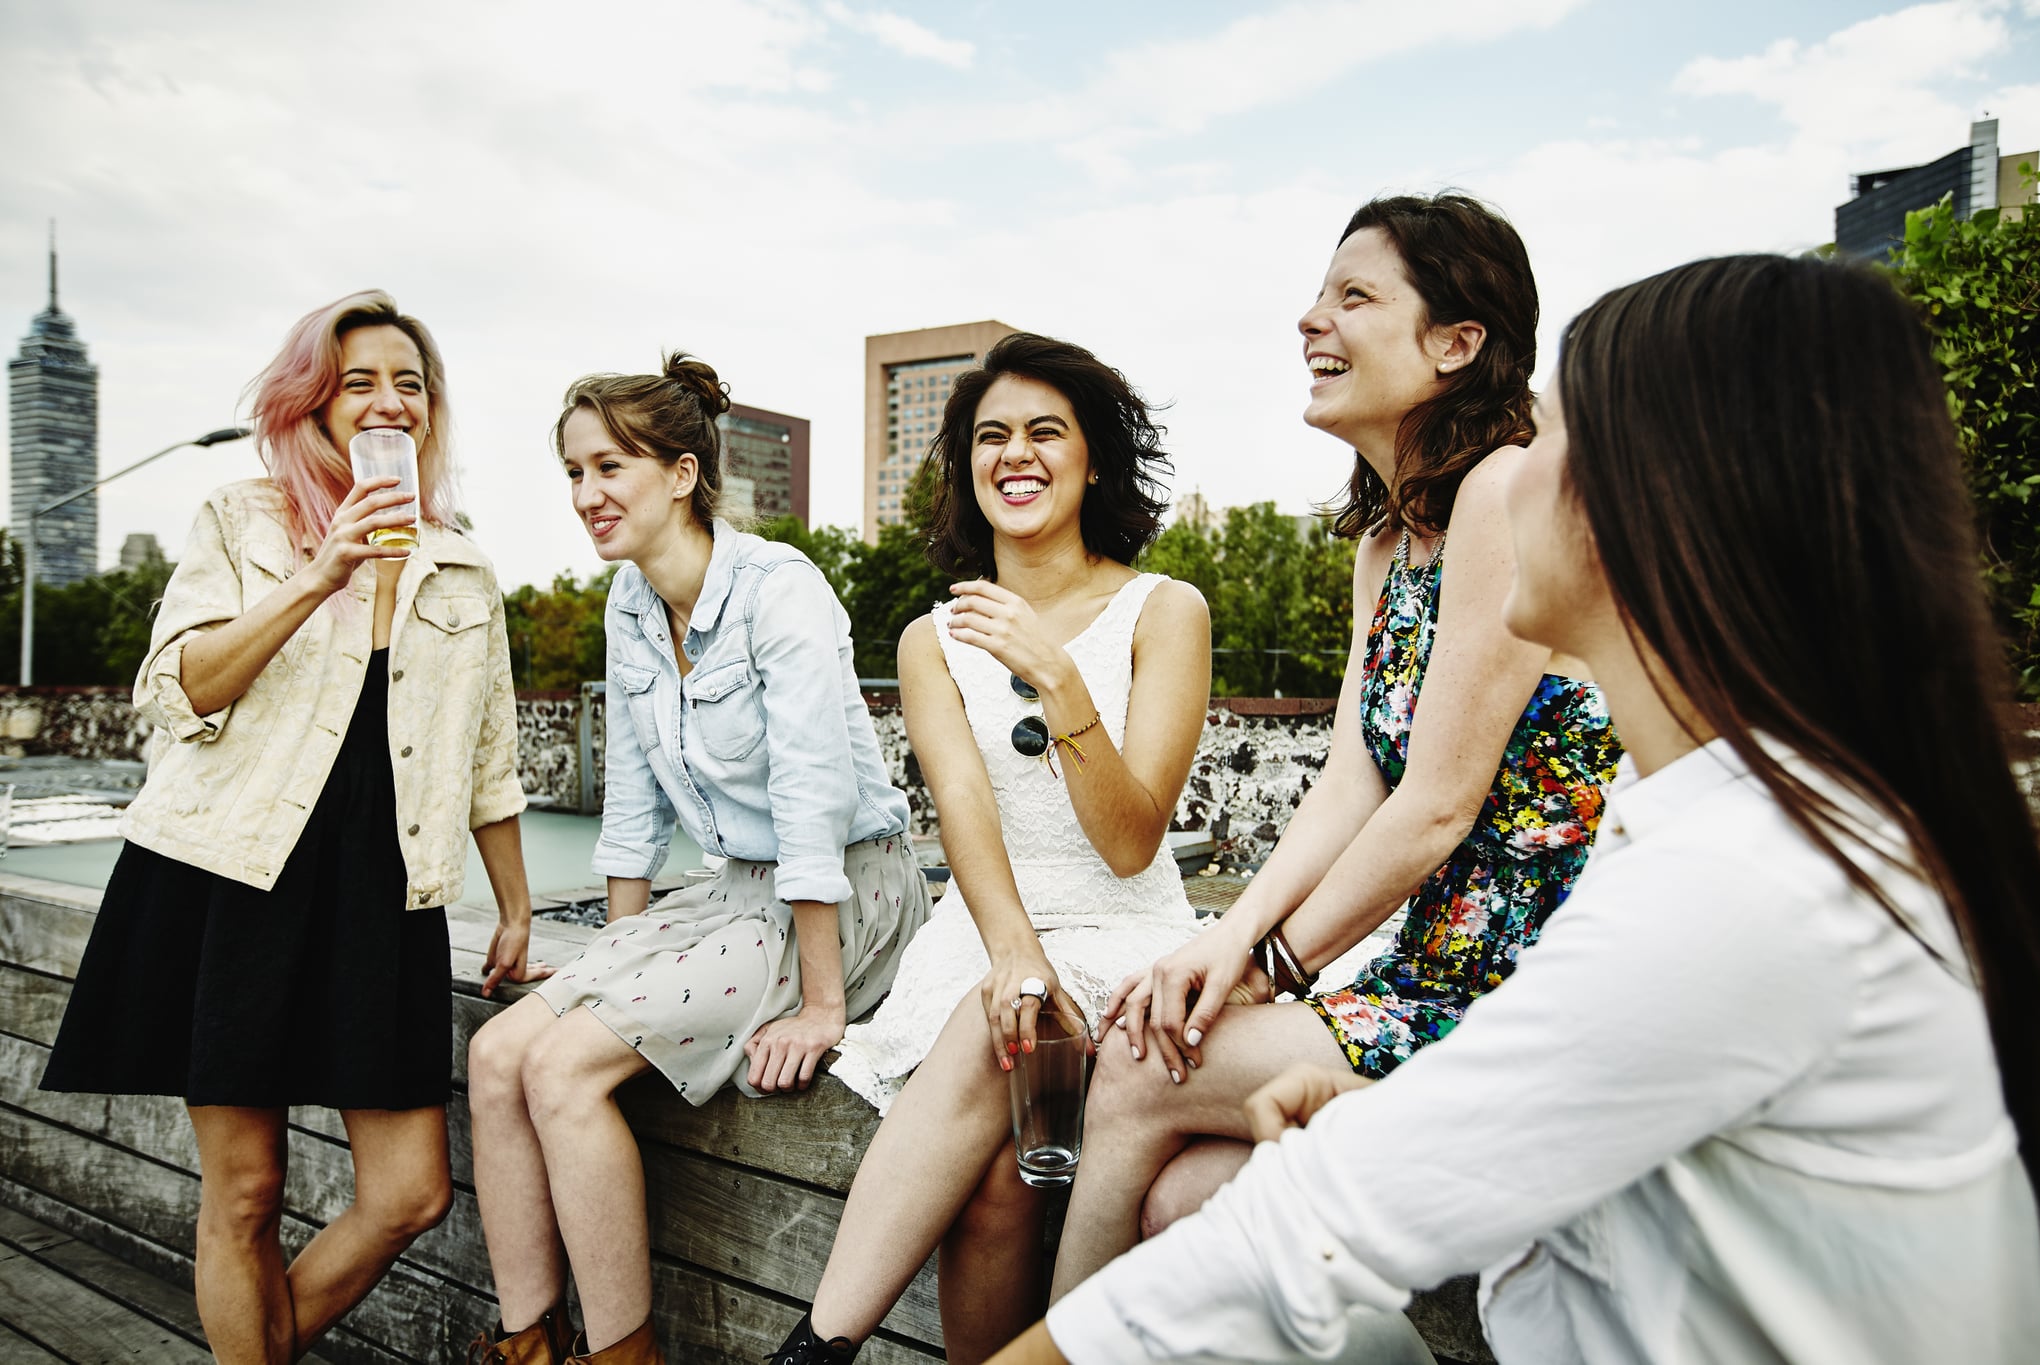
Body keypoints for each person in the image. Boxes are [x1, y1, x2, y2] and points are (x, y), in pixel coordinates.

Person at [996, 253, 2040, 1364]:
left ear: (1671, 508)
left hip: (1469, 1010)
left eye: (1550, 439)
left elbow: (1316, 1213)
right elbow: (1367, 780)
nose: (1513, 462)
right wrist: (1263, 964)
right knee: (1198, 1196)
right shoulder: (1709, 819)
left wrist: (1301, 998)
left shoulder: (1737, 888)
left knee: (1193, 1161)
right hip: (1497, 1126)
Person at [1050, 193, 1622, 1294]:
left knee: (1130, 1067)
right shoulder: (1388, 546)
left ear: (1457, 343)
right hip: (1426, 975)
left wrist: (1269, 967)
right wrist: (1226, 941)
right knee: (1177, 1200)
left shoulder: (1506, 491)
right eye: (1319, 295)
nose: (1310, 320)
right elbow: (1355, 777)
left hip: (1518, 992)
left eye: (1352, 296)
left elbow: (1440, 803)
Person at [39, 291, 539, 1364]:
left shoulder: (465, 564)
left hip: (382, 886)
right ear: (313, 402)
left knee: (409, 1193)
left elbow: (488, 753)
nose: (387, 401)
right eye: (359, 379)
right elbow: (182, 690)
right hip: (228, 870)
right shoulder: (241, 517)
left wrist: (514, 903)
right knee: (248, 1190)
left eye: (409, 381)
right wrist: (321, 574)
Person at [465, 353, 928, 1365]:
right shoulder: (628, 608)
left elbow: (814, 809)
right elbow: (631, 813)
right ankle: (525, 1344)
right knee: (498, 1054)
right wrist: (612, 973)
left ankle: (622, 1357)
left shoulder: (778, 591)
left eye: (608, 469)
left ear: (679, 474)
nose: (586, 496)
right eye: (574, 474)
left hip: (850, 895)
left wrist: (820, 1005)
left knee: (562, 1071)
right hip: (732, 895)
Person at [768, 333, 1211, 1365]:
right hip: (986, 935)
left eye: (1044, 432)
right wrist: (1010, 950)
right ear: (967, 469)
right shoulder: (930, 638)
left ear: (1092, 458)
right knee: (989, 1195)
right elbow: (961, 807)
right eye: (990, 437)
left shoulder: (1164, 611)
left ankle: (814, 1347)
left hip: (1119, 932)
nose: (1015, 454)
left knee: (997, 1034)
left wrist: (1058, 683)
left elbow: (1130, 838)